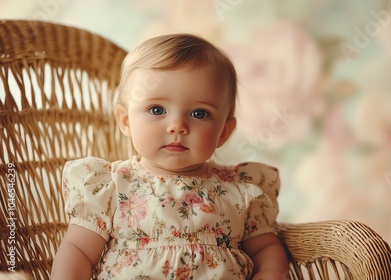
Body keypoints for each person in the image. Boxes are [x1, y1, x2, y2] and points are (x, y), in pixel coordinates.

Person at [50, 34, 289, 280]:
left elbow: (266, 249)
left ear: (223, 132)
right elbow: (78, 250)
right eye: (157, 110)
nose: (177, 126)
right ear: (125, 121)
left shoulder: (240, 189)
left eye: (199, 113)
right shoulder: (110, 185)